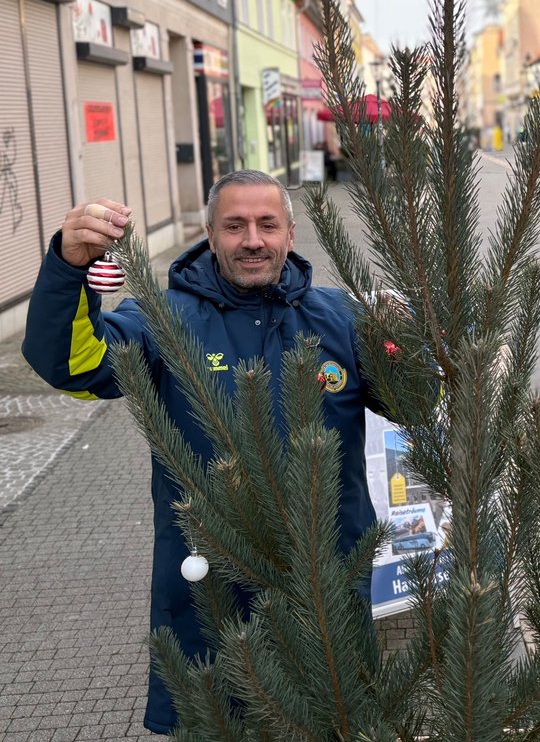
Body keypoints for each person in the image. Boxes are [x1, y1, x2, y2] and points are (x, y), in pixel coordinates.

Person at [22, 170, 384, 735]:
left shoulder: (343, 319)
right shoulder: (163, 320)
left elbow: (420, 402)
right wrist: (68, 269)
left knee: (336, 723)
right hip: (212, 587)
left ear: (290, 233)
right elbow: (76, 367)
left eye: (267, 224)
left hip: (325, 580)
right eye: (234, 226)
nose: (253, 240)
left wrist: (424, 341)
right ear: (210, 235)